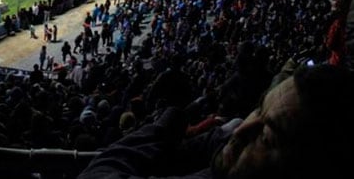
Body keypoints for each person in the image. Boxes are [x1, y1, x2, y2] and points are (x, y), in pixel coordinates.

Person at [78, 64, 354, 179]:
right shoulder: (227, 152)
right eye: (258, 110)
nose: (242, 129)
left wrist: (166, 122)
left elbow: (99, 171)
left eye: (268, 136)